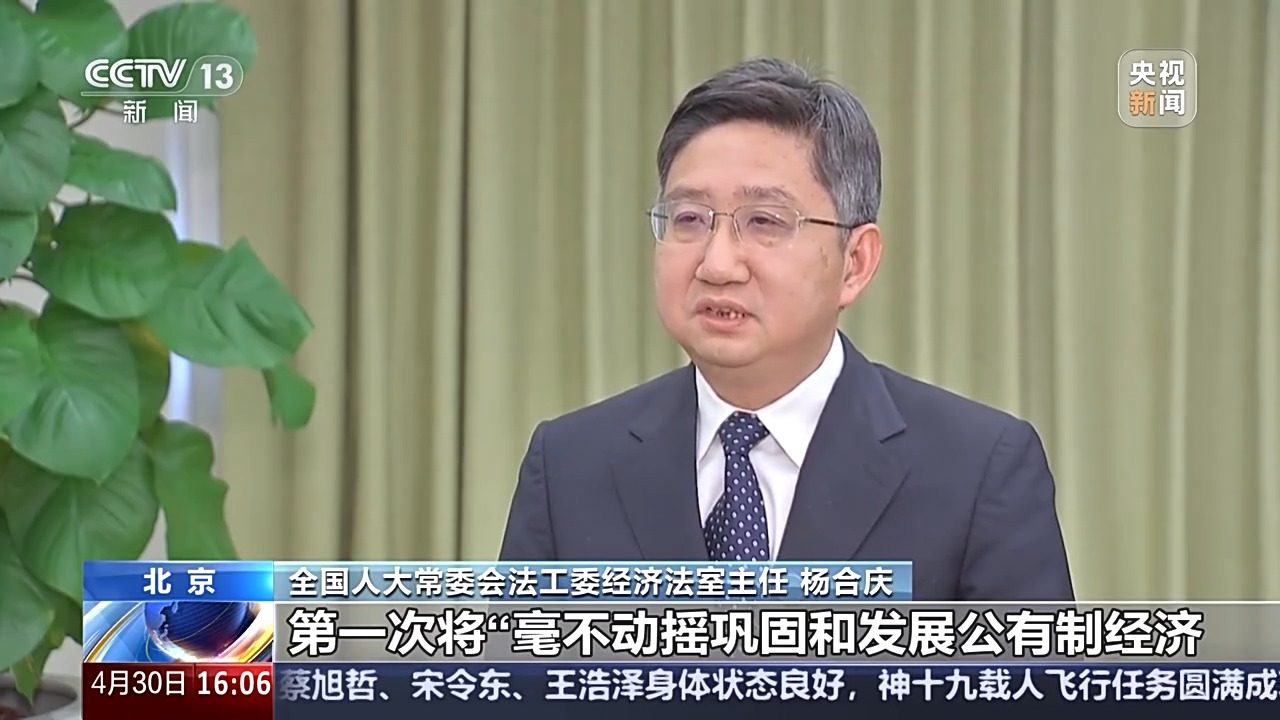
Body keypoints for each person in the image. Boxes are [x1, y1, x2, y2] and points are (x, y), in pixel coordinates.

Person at [498, 57, 1073, 601]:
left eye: (765, 222)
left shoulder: (978, 471)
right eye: (690, 219)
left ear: (855, 262)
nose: (718, 264)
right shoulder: (569, 466)